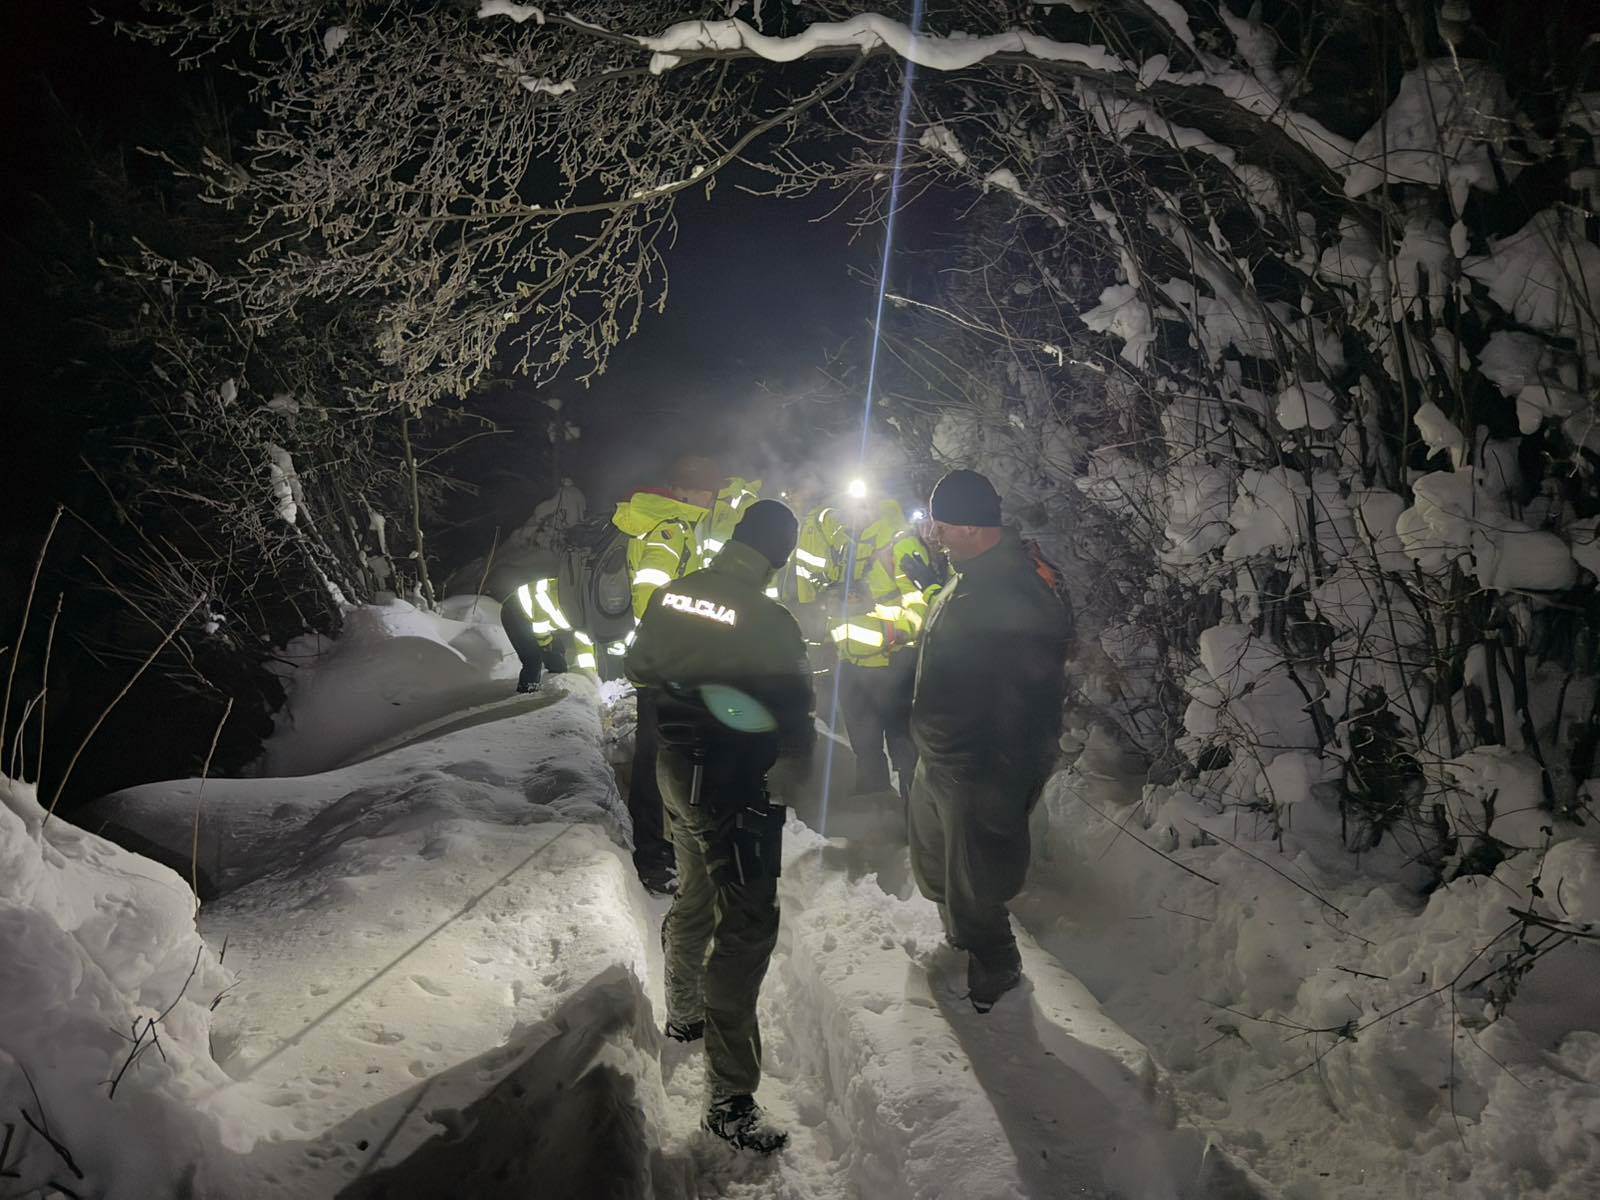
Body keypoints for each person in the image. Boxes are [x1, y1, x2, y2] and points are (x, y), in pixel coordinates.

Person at [624, 499, 814, 1154]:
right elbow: (797, 720)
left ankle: (683, 1015)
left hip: (677, 770)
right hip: (738, 790)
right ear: (780, 555)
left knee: (697, 889)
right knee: (747, 927)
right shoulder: (770, 619)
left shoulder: (677, 595)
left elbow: (638, 668)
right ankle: (731, 1101)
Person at [907, 469, 1070, 1012]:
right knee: (938, 860)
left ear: (974, 529)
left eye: (944, 528)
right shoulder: (971, 576)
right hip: (946, 754)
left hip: (981, 763)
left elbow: (1025, 697)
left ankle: (996, 964)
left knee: (976, 875)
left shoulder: (1011, 592)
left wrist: (988, 767)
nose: (937, 537)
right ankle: (961, 933)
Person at [611, 455, 722, 894]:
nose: (712, 500)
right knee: (658, 759)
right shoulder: (670, 529)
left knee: (663, 754)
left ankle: (663, 844)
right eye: (706, 491)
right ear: (682, 491)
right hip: (666, 662)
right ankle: (654, 857)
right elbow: (650, 598)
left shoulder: (669, 524)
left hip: (665, 659)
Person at [801, 488, 933, 806]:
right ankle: (875, 810)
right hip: (851, 663)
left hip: (894, 664)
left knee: (904, 747)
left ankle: (914, 815)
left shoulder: (900, 544)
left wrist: (898, 633)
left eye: (857, 508)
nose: (848, 516)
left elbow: (922, 602)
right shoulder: (847, 547)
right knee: (864, 744)